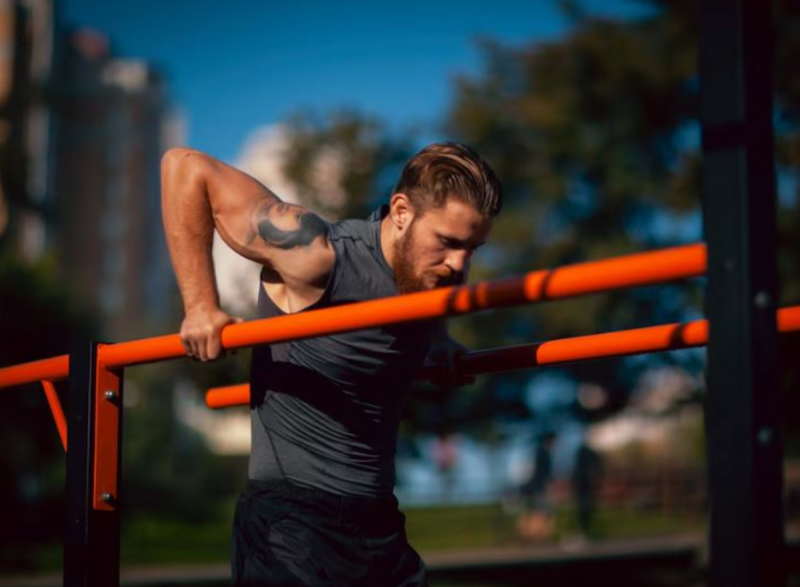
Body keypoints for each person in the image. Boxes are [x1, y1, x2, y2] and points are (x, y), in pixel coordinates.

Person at [160, 142, 502, 586]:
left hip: (379, 523)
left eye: (473, 248)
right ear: (401, 211)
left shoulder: (426, 275)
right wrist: (201, 305)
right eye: (449, 243)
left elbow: (419, 297)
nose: (460, 264)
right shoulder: (317, 255)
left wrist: (439, 341)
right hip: (293, 528)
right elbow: (185, 167)